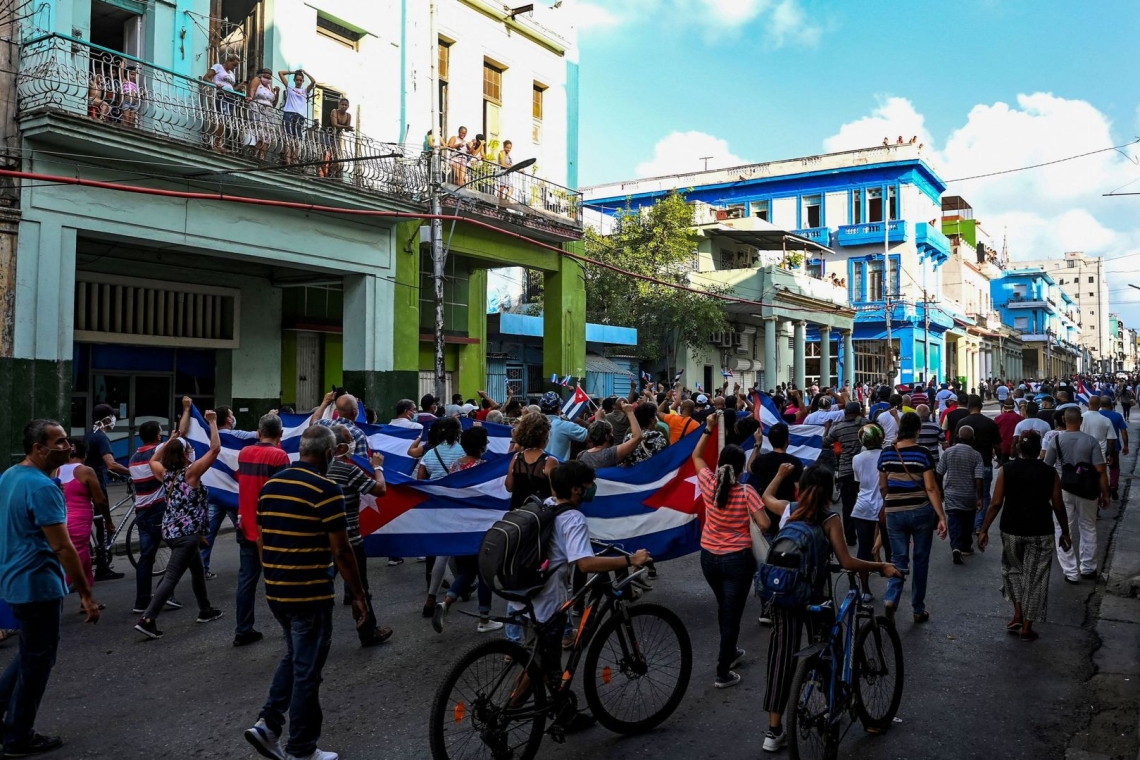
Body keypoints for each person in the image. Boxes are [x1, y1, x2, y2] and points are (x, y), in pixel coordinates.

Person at [243, 426, 370, 760]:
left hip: (277, 592)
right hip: (309, 594)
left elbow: (260, 538)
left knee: (295, 656)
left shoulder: (273, 485)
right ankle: (301, 748)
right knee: (307, 672)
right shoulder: (327, 489)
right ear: (329, 455)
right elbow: (342, 551)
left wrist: (272, 574)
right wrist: (358, 595)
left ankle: (268, 724)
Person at [759, 462, 902, 751]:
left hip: (782, 594)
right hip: (813, 598)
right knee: (828, 648)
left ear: (800, 486)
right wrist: (881, 566)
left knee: (780, 659)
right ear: (829, 491)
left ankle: (773, 731)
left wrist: (780, 474)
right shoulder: (829, 518)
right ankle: (830, 700)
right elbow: (847, 562)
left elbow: (765, 498)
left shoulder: (789, 510)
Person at [514, 461, 652, 734]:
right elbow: (585, 564)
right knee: (543, 663)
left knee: (544, 659)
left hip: (525, 590)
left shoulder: (548, 503)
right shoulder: (574, 518)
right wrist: (629, 560)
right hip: (548, 599)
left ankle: (563, 711)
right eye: (589, 486)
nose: (592, 490)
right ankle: (507, 713)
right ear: (577, 489)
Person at [0, 420, 102, 757]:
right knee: (37, 662)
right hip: (38, 584)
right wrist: (86, 593)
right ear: (38, 449)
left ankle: (9, 723)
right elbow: (63, 547)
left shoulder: (11, 476)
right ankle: (18, 736)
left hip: (16, 579)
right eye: (59, 443)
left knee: (31, 652)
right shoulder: (44, 488)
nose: (68, 447)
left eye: (67, 441)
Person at [692, 413, 766, 689]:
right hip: (737, 560)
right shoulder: (746, 492)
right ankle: (723, 671)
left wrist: (708, 429)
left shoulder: (710, 484)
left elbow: (697, 458)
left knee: (726, 607)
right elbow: (765, 523)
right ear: (741, 467)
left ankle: (731, 652)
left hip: (708, 557)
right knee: (731, 614)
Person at [135, 412, 224, 639]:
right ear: (185, 456)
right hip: (186, 535)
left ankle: (205, 609)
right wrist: (213, 422)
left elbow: (153, 460)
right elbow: (215, 450)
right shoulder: (190, 474)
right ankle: (148, 618)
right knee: (172, 576)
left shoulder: (165, 474)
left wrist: (171, 441)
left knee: (196, 570)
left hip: (172, 531)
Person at [978, 431, 1071, 641]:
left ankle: (1018, 613)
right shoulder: (1050, 473)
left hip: (1011, 529)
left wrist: (983, 529)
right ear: (1040, 451)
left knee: (1012, 571)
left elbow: (995, 503)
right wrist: (1065, 532)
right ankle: (1027, 626)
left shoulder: (1007, 470)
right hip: (1040, 530)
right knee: (1036, 578)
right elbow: (1058, 505)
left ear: (1018, 449)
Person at [877, 411, 948, 624]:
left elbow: (882, 486)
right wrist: (941, 516)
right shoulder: (922, 453)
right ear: (917, 430)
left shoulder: (886, 453)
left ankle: (891, 597)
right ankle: (918, 609)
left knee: (898, 559)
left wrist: (890, 502)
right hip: (920, 511)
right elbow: (931, 487)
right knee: (920, 559)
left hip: (894, 513)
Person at [326, 425, 393, 648]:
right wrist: (378, 468)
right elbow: (379, 490)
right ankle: (368, 631)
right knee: (360, 587)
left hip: (323, 540)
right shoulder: (348, 470)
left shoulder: (317, 469)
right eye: (349, 440)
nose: (353, 443)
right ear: (341, 446)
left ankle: (317, 634)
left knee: (324, 586)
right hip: (350, 540)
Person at [234, 413, 291, 648]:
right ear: (281, 435)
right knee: (280, 580)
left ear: (258, 432)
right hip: (269, 528)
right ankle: (290, 626)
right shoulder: (279, 456)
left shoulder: (244, 453)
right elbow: (283, 494)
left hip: (246, 525)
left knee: (246, 580)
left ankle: (243, 629)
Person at [129, 409, 190, 614]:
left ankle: (141, 601)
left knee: (146, 557)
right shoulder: (158, 451)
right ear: (157, 436)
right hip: (158, 510)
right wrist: (187, 409)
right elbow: (180, 434)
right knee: (179, 551)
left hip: (141, 511)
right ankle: (166, 593)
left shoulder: (133, 457)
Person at [1044, 407, 1110, 583]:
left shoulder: (1056, 440)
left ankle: (1071, 571)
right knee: (1088, 526)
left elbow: (1047, 467)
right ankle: (1088, 568)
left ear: (1064, 420)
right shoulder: (1091, 441)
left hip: (1062, 490)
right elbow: (1101, 470)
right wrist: (1106, 493)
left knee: (1063, 528)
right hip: (1087, 490)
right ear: (1081, 421)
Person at [202, 404, 257, 579]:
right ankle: (252, 565)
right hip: (233, 494)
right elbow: (260, 435)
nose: (233, 417)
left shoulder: (207, 436)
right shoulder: (237, 435)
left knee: (208, 533)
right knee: (245, 529)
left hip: (215, 493)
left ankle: (202, 568)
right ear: (228, 419)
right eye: (232, 414)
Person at [56, 440, 112, 592]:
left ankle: (86, 600)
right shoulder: (86, 471)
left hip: (61, 519)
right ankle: (57, 593)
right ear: (85, 454)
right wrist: (108, 520)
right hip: (79, 522)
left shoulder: (56, 471)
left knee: (85, 557)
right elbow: (100, 500)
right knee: (78, 560)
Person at [85, 403, 128, 581]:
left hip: (86, 483)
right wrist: (133, 472)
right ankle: (102, 566)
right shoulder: (102, 438)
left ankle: (98, 559)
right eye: (112, 416)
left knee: (95, 521)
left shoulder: (89, 435)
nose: (114, 420)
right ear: (107, 419)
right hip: (97, 485)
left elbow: (94, 462)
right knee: (104, 523)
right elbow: (111, 463)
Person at [953, 395, 1001, 532]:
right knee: (984, 494)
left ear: (968, 407)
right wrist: (1000, 458)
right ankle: (978, 523)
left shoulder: (962, 422)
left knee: (967, 493)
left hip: (964, 465)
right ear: (981, 407)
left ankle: (968, 522)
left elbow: (955, 444)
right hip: (985, 463)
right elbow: (997, 445)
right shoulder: (990, 423)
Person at [937, 426, 984, 562]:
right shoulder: (976, 455)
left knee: (954, 520)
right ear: (972, 438)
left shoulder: (948, 452)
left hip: (951, 494)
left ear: (958, 436)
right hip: (969, 495)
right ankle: (966, 546)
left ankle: (956, 546)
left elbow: (939, 474)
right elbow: (979, 479)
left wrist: (940, 491)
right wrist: (980, 497)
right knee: (968, 521)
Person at [851, 424, 887, 600]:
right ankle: (892, 583)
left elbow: (860, 481)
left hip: (862, 506)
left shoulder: (857, 458)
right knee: (890, 547)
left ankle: (864, 589)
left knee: (863, 549)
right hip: (885, 506)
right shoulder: (887, 455)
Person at [823, 401, 867, 546]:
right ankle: (867, 535)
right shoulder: (865, 424)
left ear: (845, 413)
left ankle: (850, 538)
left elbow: (825, 442)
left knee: (848, 505)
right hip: (864, 470)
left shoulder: (839, 428)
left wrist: (827, 428)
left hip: (846, 470)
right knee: (866, 502)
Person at [577, 400, 642, 470]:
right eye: (611, 433)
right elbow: (637, 437)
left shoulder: (582, 455)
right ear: (607, 437)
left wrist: (598, 418)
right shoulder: (610, 454)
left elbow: (596, 429)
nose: (612, 435)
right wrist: (630, 412)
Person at [1082, 395, 1118, 498]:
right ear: (1099, 406)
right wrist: (1110, 455)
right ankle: (1102, 496)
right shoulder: (1106, 420)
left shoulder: (1081, 417)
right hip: (1100, 455)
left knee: (1084, 474)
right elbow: (1111, 441)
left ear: (1089, 404)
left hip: (1083, 453)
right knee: (1101, 475)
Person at [277, 69, 315, 165]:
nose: (298, 82)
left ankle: (294, 160)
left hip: (300, 116)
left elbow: (313, 81)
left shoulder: (305, 91)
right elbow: (280, 73)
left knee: (298, 138)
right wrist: (294, 72)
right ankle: (288, 161)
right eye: (297, 80)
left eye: (300, 80)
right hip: (289, 113)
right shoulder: (290, 87)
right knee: (288, 137)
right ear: (294, 80)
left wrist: (305, 73)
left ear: (302, 81)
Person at [540, 391, 588, 461]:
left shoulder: (531, 425)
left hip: (536, 469)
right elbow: (593, 436)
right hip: (559, 469)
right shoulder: (566, 426)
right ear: (559, 409)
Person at [245, 68, 280, 162]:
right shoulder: (257, 80)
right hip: (258, 109)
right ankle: (256, 154)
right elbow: (252, 89)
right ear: (261, 75)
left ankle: (262, 156)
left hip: (268, 112)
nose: (267, 79)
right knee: (259, 133)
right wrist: (251, 98)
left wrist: (277, 93)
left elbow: (274, 103)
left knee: (267, 135)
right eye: (265, 76)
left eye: (269, 77)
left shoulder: (269, 87)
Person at [1098, 396, 1129, 500]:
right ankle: (1113, 486)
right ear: (1111, 404)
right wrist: (1126, 446)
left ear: (1100, 405)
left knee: (1099, 469)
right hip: (1114, 447)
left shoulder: (1097, 415)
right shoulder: (1117, 416)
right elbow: (1123, 432)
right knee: (1114, 468)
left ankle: (1102, 489)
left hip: (1098, 448)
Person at [994, 398, 1022, 465]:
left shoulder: (998, 418)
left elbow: (995, 435)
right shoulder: (1020, 418)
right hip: (1016, 448)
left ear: (1004, 406)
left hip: (1003, 448)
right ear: (1014, 406)